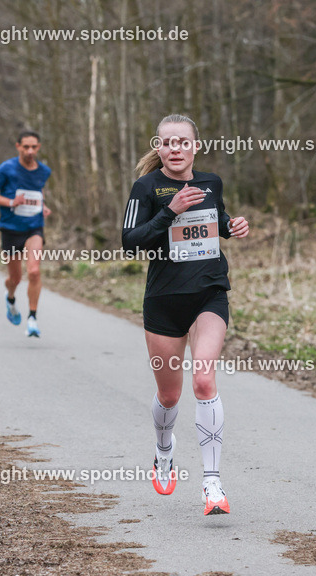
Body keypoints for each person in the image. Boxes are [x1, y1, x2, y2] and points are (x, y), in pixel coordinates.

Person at [122, 114, 250, 515]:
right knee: (169, 394)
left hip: (209, 293)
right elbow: (130, 242)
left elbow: (215, 221)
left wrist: (233, 225)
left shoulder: (211, 183)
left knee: (204, 379)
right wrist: (169, 211)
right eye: (167, 142)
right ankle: (164, 452)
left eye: (182, 142)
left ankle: (212, 484)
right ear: (157, 147)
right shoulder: (145, 187)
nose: (175, 148)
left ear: (196, 146)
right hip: (163, 300)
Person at [0, 131, 52, 338]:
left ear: (38, 147)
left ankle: (32, 318)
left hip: (34, 226)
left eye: (34, 147)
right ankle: (10, 298)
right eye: (26, 147)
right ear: (18, 147)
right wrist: (11, 202)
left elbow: (37, 191)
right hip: (11, 228)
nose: (30, 151)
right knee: (15, 278)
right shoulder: (7, 169)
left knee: (34, 272)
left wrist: (43, 205)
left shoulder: (44, 171)